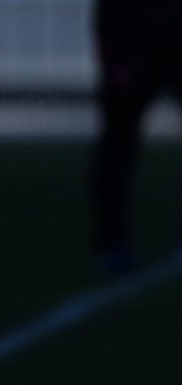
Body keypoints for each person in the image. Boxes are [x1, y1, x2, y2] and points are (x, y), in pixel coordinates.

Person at [90, 0, 182, 274]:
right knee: (117, 147)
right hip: (133, 46)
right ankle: (111, 242)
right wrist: (114, 55)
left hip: (167, 41)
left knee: (117, 145)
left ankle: (112, 242)